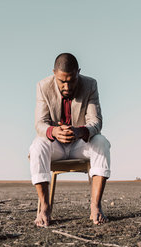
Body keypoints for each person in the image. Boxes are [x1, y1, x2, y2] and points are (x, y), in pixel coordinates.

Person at [29, 53, 111, 227]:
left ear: (78, 73)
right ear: (54, 74)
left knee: (102, 142)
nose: (66, 86)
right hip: (55, 145)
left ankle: (95, 207)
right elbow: (40, 124)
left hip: (80, 143)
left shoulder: (90, 85)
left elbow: (96, 122)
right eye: (61, 81)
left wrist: (80, 131)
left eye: (71, 80)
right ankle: (45, 209)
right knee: (37, 146)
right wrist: (54, 131)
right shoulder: (43, 86)